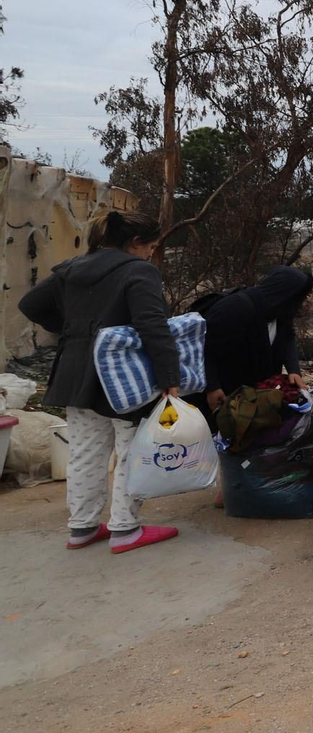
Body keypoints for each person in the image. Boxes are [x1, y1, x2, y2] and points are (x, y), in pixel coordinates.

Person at [18, 210, 182, 553]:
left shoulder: (72, 268)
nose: (151, 253)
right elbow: (153, 325)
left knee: (84, 454)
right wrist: (170, 377)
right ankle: (125, 529)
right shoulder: (139, 271)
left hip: (75, 374)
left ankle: (82, 527)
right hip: (126, 379)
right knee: (131, 453)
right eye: (150, 247)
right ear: (135, 244)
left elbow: (30, 303)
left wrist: (72, 330)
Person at [201, 265, 313, 412]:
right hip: (225, 397)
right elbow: (206, 349)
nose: (300, 305)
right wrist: (212, 387)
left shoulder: (280, 312)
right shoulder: (233, 309)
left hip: (256, 397)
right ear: (284, 295)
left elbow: (287, 336)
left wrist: (294, 370)